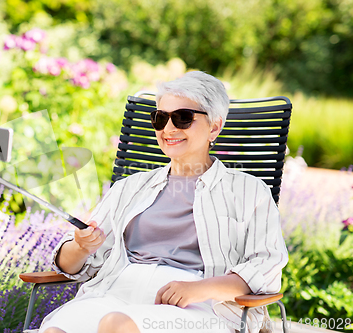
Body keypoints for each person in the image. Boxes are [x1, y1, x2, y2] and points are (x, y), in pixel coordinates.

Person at [39, 71, 289, 333]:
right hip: (112, 293)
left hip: (200, 305)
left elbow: (265, 267)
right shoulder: (130, 188)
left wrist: (199, 289)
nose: (169, 129)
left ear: (214, 126)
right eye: (160, 118)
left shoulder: (249, 192)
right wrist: (80, 247)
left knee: (117, 325)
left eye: (183, 118)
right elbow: (73, 265)